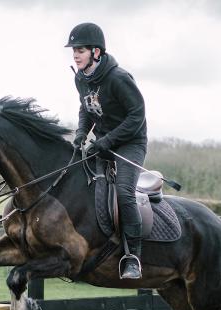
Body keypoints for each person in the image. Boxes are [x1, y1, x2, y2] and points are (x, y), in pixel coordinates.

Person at [65, 22, 148, 279]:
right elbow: (86, 108)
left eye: (80, 50)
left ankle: (132, 256)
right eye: (74, 50)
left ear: (96, 52)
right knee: (78, 182)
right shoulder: (81, 78)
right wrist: (81, 133)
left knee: (124, 193)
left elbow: (137, 116)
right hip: (102, 142)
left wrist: (108, 140)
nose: (75, 54)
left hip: (130, 144)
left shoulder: (119, 79)